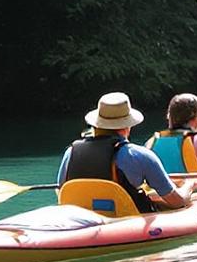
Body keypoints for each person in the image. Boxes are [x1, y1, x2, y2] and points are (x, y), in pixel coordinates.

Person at [58, 91, 188, 215]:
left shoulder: (71, 152)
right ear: (127, 126)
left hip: (82, 221)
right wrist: (189, 185)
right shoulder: (140, 156)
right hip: (124, 223)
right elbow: (177, 202)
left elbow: (60, 190)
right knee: (195, 197)